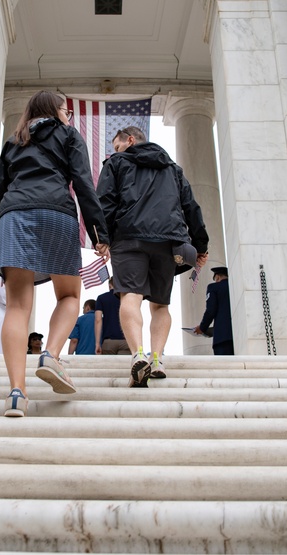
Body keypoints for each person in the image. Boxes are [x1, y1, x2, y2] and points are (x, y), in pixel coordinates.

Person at [0, 91, 109, 417]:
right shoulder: (69, 135)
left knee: (17, 306)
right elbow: (84, 184)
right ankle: (51, 354)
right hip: (56, 212)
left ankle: (17, 392)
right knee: (70, 295)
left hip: (12, 216)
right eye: (66, 110)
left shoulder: (14, 142)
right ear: (55, 111)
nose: (69, 116)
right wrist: (100, 234)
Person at [97, 126, 209, 387]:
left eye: (117, 146)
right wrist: (200, 246)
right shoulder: (172, 168)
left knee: (131, 296)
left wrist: (102, 237)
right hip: (167, 241)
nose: (115, 152)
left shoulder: (116, 164)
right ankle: (157, 358)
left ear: (131, 140)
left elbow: (105, 201)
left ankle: (138, 354)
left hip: (128, 237)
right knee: (160, 305)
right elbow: (191, 207)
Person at [197, 267, 234, 356]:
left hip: (223, 338)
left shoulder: (213, 287)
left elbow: (210, 310)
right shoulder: (234, 286)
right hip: (239, 335)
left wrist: (202, 328)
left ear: (217, 277)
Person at [94, 279, 128, 355]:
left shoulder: (101, 298)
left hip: (108, 341)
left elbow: (98, 320)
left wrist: (97, 344)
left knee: (108, 366)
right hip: (126, 340)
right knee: (124, 366)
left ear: (110, 285)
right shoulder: (126, 298)